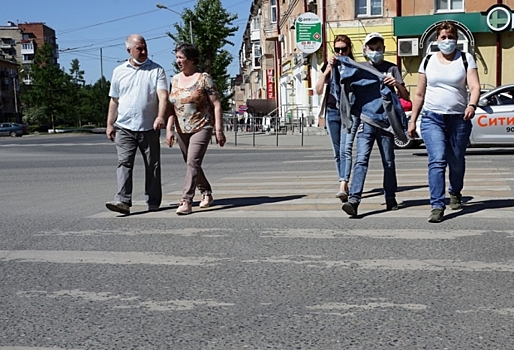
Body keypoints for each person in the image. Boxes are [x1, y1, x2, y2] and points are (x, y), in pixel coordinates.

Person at [408, 21, 480, 223]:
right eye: (443, 37)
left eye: (451, 37)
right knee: (437, 160)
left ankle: (455, 192)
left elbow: (474, 87)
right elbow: (419, 93)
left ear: (456, 39)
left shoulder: (465, 59)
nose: (447, 41)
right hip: (432, 118)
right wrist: (413, 120)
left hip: (459, 118)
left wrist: (471, 105)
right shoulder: (428, 60)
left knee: (456, 162)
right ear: (436, 40)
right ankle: (437, 205)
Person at [342, 32, 409, 217]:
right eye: (371, 48)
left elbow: (405, 96)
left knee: (388, 161)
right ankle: (354, 200)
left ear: (384, 49)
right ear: (365, 50)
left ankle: (390, 197)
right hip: (366, 120)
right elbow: (342, 82)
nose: (375, 51)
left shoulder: (392, 68)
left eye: (378, 48)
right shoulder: (358, 68)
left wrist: (396, 84)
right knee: (361, 160)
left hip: (386, 122)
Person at [105, 34, 168, 215]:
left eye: (145, 47)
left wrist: (160, 116)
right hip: (124, 127)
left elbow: (163, 95)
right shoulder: (119, 71)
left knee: (152, 165)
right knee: (124, 163)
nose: (143, 51)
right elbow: (114, 100)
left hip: (149, 126)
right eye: (139, 48)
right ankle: (122, 201)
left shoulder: (157, 70)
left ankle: (153, 201)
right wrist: (110, 124)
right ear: (129, 50)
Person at [166, 43, 226, 215]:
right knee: (192, 163)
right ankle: (206, 191)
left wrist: (219, 130)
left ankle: (186, 200)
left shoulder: (204, 78)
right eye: (176, 57)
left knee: (192, 162)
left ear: (191, 59)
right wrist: (169, 129)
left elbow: (216, 104)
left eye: (181, 57)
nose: (177, 61)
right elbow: (172, 107)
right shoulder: (175, 80)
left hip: (202, 126)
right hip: (181, 129)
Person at [315, 34, 358, 202]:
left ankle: (343, 184)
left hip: (349, 112)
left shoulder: (355, 66)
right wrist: (328, 70)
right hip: (332, 111)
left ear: (349, 49)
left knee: (346, 149)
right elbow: (319, 89)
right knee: (337, 151)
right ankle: (343, 182)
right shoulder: (328, 65)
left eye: (343, 49)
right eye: (337, 49)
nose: (340, 52)